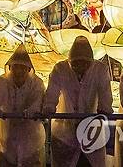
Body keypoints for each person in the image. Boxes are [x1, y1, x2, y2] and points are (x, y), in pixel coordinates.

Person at [43, 36, 113, 167]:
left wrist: (105, 109)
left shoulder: (100, 70)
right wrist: (49, 107)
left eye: (84, 63)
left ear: (90, 62)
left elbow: (105, 93)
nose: (80, 67)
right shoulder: (60, 69)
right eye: (76, 63)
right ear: (70, 62)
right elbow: (52, 93)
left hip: (92, 129)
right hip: (64, 131)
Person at [0, 44, 46, 166]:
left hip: (31, 141)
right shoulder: (1, 82)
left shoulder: (36, 84)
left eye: (23, 68)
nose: (19, 71)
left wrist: (32, 111)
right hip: (6, 141)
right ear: (10, 68)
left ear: (29, 69)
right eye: (16, 67)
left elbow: (38, 101)